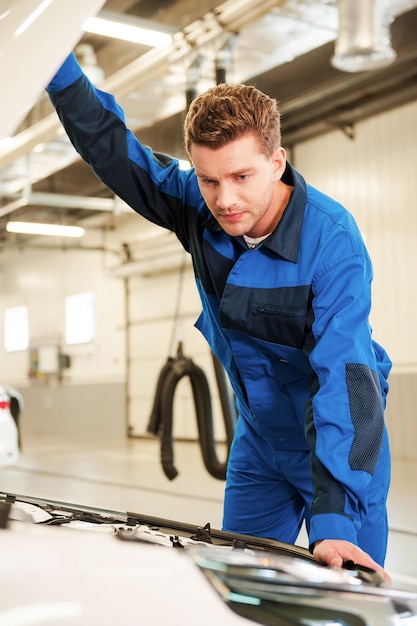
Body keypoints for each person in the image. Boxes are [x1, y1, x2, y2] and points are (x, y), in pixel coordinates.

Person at [46, 52, 392, 583]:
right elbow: (112, 149)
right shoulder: (196, 205)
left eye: (241, 176)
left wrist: (336, 518)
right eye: (209, 180)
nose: (225, 201)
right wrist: (54, 63)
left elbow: (347, 378)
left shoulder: (332, 242)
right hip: (258, 443)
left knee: (345, 593)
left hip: (337, 443)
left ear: (278, 162)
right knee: (239, 587)